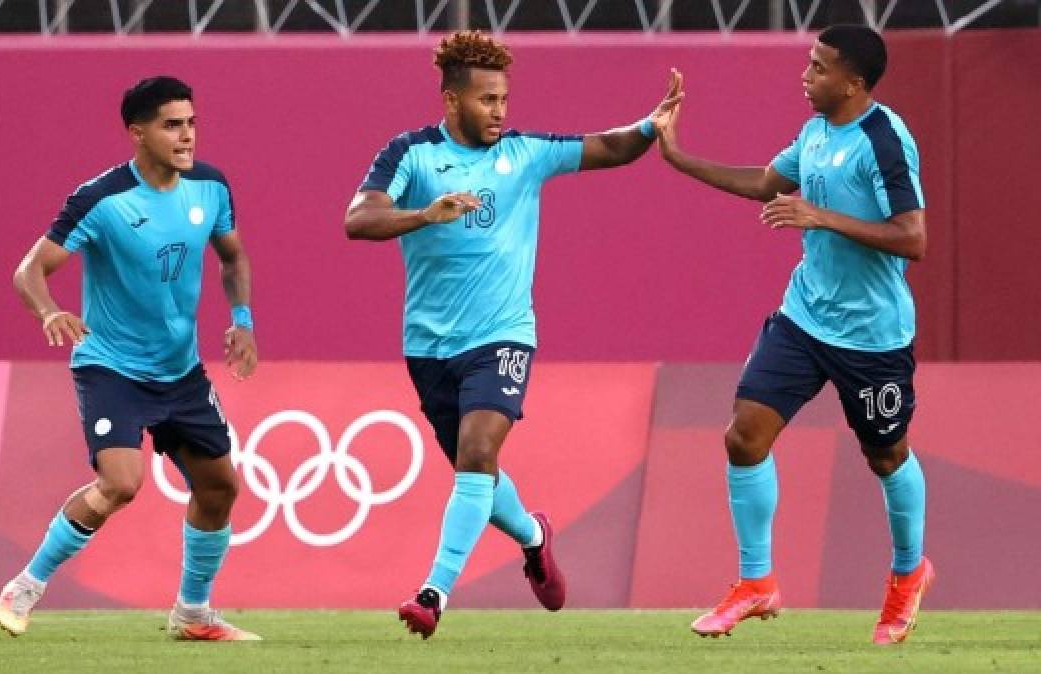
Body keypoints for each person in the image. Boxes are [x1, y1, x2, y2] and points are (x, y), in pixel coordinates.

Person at [345, 30, 683, 639]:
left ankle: (433, 594)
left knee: (476, 455)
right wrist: (424, 214)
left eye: (503, 99)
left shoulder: (525, 153)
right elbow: (358, 219)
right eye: (486, 101)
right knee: (481, 475)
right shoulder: (411, 154)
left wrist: (649, 127)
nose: (499, 110)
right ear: (451, 101)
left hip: (503, 336)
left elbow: (605, 148)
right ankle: (533, 535)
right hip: (428, 347)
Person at [652, 25, 932, 644]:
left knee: (886, 456)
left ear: (854, 83)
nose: (805, 77)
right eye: (808, 64)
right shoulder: (814, 133)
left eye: (819, 68)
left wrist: (818, 216)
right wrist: (678, 156)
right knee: (744, 435)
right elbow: (762, 183)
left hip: (873, 335)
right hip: (805, 316)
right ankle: (757, 583)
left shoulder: (884, 137)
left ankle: (908, 573)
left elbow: (914, 238)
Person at [0, 76, 260, 642]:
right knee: (120, 482)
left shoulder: (211, 187)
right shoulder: (101, 199)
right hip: (111, 365)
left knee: (220, 488)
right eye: (171, 125)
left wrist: (242, 321)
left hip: (180, 371)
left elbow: (232, 257)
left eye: (190, 122)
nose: (186, 135)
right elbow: (29, 270)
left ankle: (192, 613)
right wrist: (47, 312)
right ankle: (25, 586)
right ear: (138, 134)